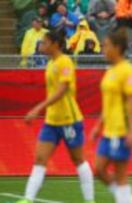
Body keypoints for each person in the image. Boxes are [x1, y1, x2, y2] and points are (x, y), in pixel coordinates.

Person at [16, 31, 95, 203]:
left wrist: (38, 107)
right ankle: (27, 199)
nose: (42, 46)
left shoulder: (65, 62)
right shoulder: (51, 63)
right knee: (40, 158)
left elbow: (62, 90)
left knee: (78, 159)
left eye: (45, 42)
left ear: (56, 44)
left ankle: (90, 200)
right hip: (51, 121)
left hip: (69, 120)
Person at [90, 31, 132, 203]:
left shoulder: (127, 70)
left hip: (121, 130)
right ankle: (129, 200)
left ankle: (126, 200)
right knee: (98, 169)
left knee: (120, 175)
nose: (103, 49)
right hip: (108, 130)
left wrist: (131, 131)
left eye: (106, 45)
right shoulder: (110, 70)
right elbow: (109, 104)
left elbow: (130, 102)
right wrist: (98, 126)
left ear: (117, 48)